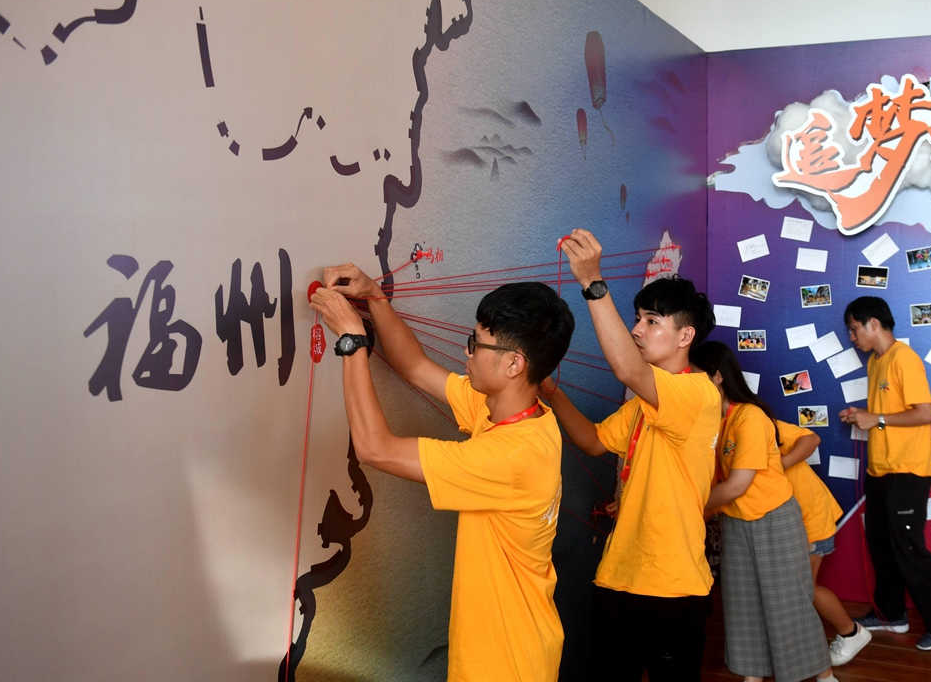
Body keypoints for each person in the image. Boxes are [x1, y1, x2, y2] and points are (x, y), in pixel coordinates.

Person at [308, 265, 574, 682]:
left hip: (506, 665)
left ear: (513, 364)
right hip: (513, 650)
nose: (467, 353)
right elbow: (413, 365)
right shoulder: (516, 414)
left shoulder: (510, 456)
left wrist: (352, 342)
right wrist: (374, 296)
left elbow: (375, 448)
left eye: (476, 344)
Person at [542, 229, 720, 682]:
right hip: (618, 576)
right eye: (638, 319)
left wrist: (592, 283)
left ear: (685, 336)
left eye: (652, 321)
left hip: (673, 587)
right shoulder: (644, 403)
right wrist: (554, 395)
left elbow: (627, 368)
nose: (638, 329)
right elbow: (594, 441)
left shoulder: (697, 393)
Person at [689, 341, 836, 682]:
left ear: (718, 377)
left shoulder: (750, 416)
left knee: (789, 603)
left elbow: (737, 485)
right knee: (742, 605)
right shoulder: (712, 421)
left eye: (695, 377)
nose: (690, 385)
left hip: (774, 519)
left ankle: (825, 676)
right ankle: (752, 676)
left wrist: (683, 503)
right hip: (736, 521)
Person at [837, 296, 931, 651]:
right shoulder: (875, 362)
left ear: (873, 323)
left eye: (854, 329)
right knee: (881, 546)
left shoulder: (904, 359)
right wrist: (862, 416)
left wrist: (875, 419)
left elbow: (925, 413)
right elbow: (886, 414)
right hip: (880, 469)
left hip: (907, 470)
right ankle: (891, 613)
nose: (852, 337)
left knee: (907, 548)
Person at [772, 417, 871, 668]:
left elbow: (811, 439)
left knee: (803, 588)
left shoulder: (759, 422)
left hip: (810, 520)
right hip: (784, 523)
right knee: (788, 588)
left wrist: (777, 466)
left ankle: (850, 632)